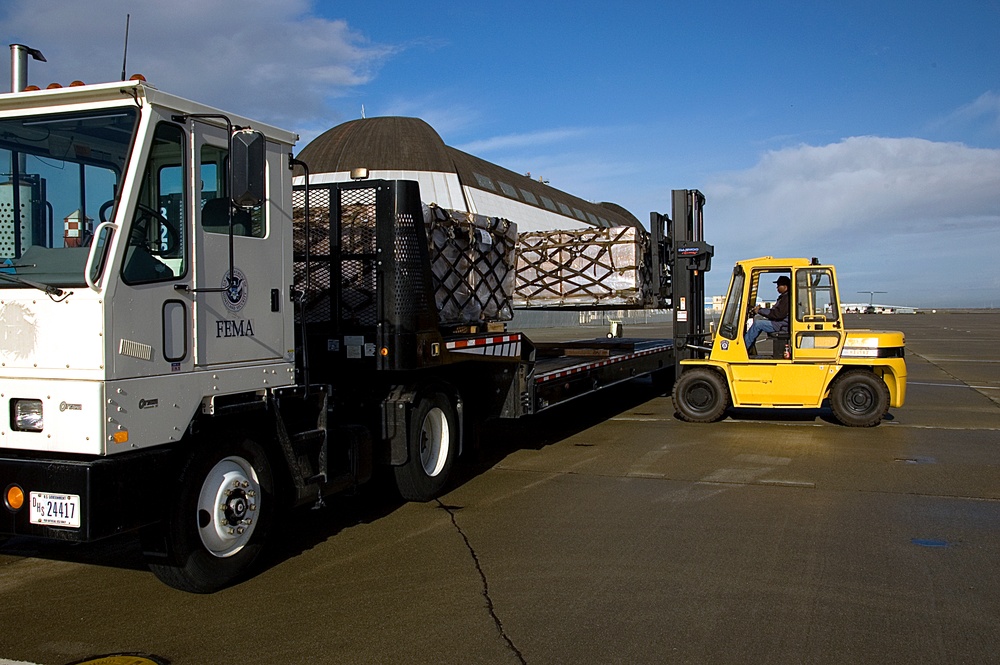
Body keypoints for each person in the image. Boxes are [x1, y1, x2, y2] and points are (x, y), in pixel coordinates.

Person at [744, 275, 790, 351]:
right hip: (781, 323)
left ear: (785, 287)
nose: (777, 288)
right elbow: (775, 312)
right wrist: (762, 311)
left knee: (758, 324)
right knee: (760, 321)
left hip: (781, 325)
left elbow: (778, 314)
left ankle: (743, 348)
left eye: (779, 285)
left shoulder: (786, 298)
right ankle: (748, 347)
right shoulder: (784, 297)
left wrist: (760, 311)